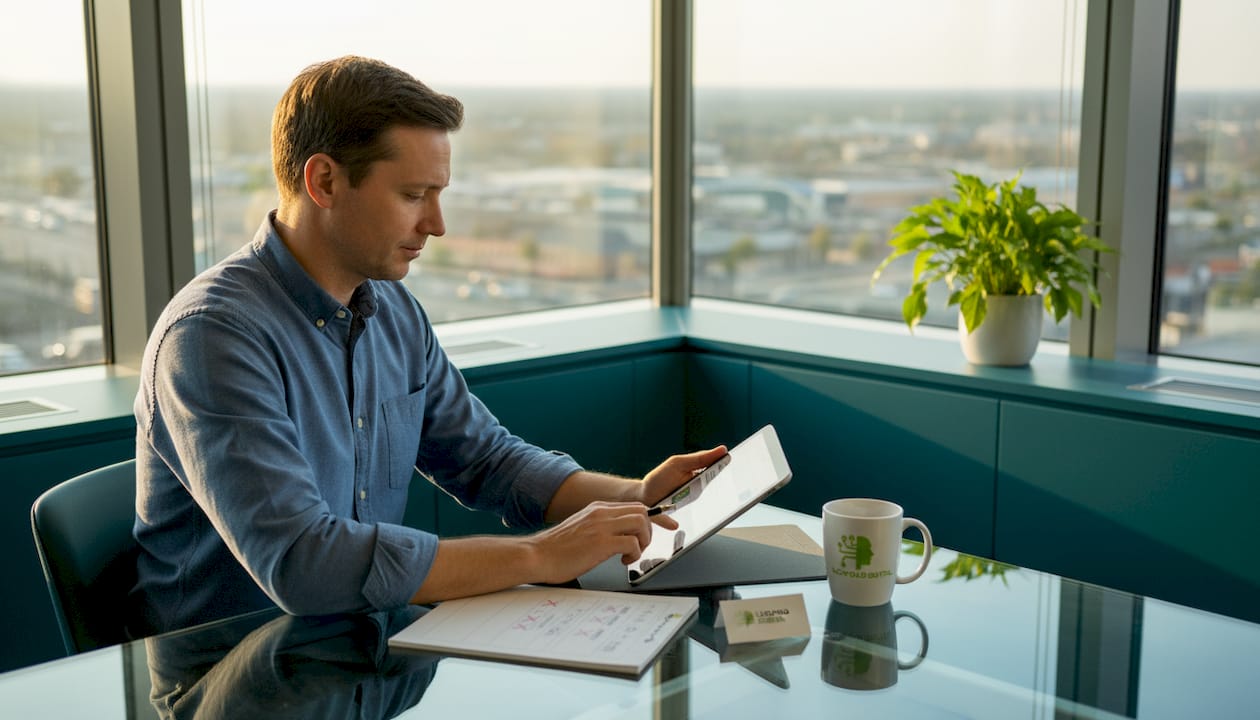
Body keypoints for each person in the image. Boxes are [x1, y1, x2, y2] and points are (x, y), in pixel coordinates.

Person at [130, 55, 725, 637]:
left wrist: (635, 497)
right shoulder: (211, 336)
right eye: (414, 195)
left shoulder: (392, 310)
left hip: (372, 659)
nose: (436, 224)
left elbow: (487, 460)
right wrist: (540, 555)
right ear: (324, 181)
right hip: (235, 677)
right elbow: (304, 562)